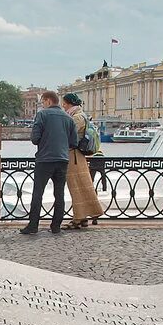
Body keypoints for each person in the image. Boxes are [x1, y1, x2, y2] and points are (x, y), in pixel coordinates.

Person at [20, 91, 75, 235]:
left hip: (44, 160)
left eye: (43, 102)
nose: (42, 105)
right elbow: (74, 142)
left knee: (38, 193)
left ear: (49, 101)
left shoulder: (42, 115)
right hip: (62, 160)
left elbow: (35, 139)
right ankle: (56, 226)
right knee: (59, 194)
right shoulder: (68, 118)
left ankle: (33, 226)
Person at [62, 92, 104, 228]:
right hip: (76, 156)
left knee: (76, 187)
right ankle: (83, 216)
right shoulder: (78, 115)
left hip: (74, 156)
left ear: (69, 104)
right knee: (81, 186)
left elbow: (67, 134)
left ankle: (78, 218)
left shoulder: (77, 117)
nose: (63, 106)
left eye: (64, 103)